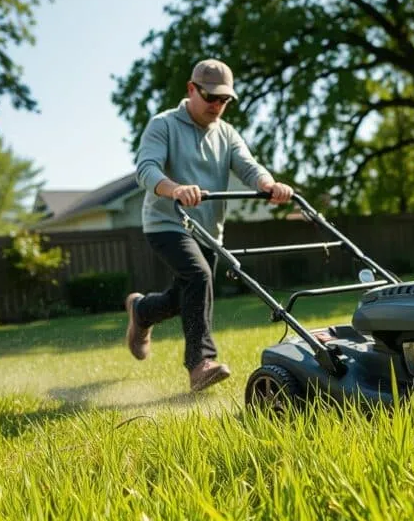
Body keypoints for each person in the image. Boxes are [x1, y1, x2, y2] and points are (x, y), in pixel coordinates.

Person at [124, 58, 294, 392]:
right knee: (198, 276)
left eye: (224, 100)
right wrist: (175, 189)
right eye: (210, 97)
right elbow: (145, 169)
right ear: (191, 89)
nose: (217, 105)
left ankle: (141, 311)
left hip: (207, 231)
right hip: (166, 222)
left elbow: (248, 166)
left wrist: (269, 183)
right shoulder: (164, 125)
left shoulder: (226, 134)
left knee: (184, 296)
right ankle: (201, 363)